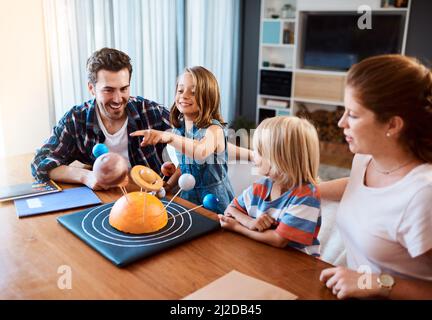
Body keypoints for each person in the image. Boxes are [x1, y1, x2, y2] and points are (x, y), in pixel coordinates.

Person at [318, 54, 432, 299]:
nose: (340, 123)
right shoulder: (366, 157)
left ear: (392, 125)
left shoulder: (423, 195)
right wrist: (309, 189)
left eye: (354, 115)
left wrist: (378, 283)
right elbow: (362, 190)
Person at [31, 47, 172, 190]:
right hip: (104, 199)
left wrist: (175, 176)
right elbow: (40, 163)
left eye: (124, 89)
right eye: (108, 90)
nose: (117, 99)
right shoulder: (76, 119)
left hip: (151, 200)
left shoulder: (150, 112)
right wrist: (86, 176)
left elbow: (192, 140)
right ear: (92, 88)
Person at [130, 66, 236, 214]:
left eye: (193, 92)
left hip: (215, 202)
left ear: (208, 98)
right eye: (180, 91)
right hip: (188, 199)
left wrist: (168, 137)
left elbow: (200, 151)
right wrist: (168, 185)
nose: (184, 96)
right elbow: (185, 165)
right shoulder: (179, 129)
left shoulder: (214, 130)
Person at [218, 116, 321, 255]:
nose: (254, 156)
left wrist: (238, 228)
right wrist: (250, 222)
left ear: (280, 158)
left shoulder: (307, 195)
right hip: (263, 256)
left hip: (296, 268)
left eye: (259, 151)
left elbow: (278, 240)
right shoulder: (261, 186)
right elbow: (230, 209)